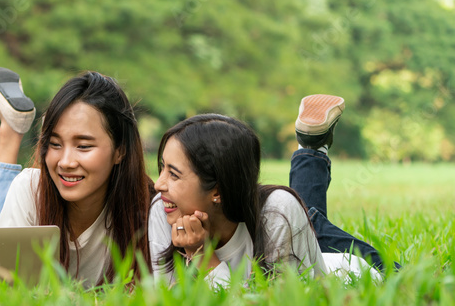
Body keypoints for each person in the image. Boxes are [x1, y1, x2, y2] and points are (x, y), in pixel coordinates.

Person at [149, 95, 385, 288]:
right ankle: (311, 146)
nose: (158, 185)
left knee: (410, 281)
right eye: (162, 168)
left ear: (217, 190)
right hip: (296, 239)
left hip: (352, 271)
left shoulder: (277, 214)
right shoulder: (163, 208)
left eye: (174, 174)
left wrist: (202, 257)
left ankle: (312, 148)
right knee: (305, 215)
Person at [0, 69, 153, 288]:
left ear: (120, 151)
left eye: (84, 146)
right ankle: (11, 133)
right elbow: (1, 287)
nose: (66, 162)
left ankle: (14, 129)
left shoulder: (147, 207)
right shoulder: (31, 188)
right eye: (55, 144)